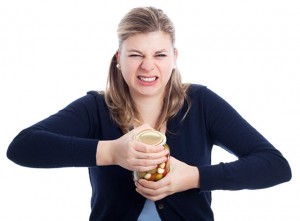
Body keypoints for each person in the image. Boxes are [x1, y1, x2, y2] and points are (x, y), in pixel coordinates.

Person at [7, 6, 292, 221]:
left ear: (174, 58)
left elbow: (275, 166)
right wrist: (112, 153)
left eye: (159, 54)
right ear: (119, 59)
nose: (148, 66)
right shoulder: (96, 108)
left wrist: (194, 177)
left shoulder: (201, 103)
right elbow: (23, 147)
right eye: (135, 55)